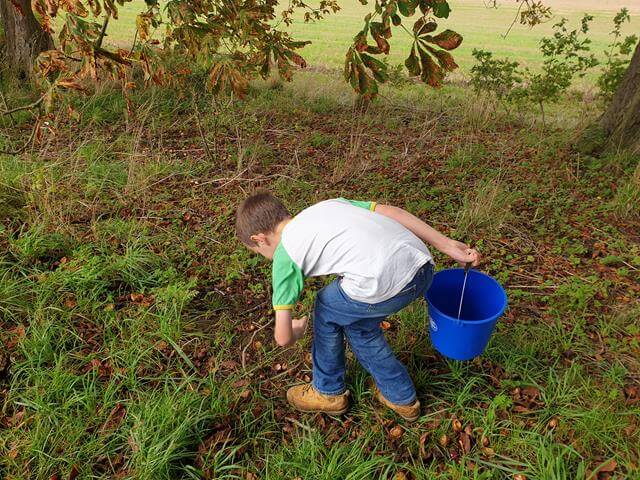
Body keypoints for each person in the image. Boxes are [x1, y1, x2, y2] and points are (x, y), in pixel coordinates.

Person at [235, 191, 480, 421]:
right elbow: (391, 211)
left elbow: (282, 337)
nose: (266, 257)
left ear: (260, 238)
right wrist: (446, 244)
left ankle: (327, 391)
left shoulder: (285, 255)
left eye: (259, 252)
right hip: (422, 265)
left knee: (326, 308)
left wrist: (297, 330)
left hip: (385, 283)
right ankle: (400, 397)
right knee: (356, 323)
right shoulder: (327, 206)